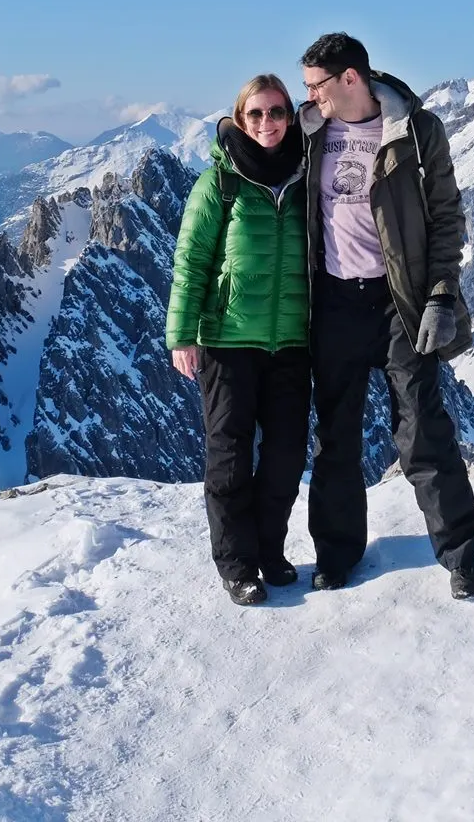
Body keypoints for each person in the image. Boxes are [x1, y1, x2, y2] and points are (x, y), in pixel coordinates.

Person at [298, 33, 474, 600]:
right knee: (336, 436)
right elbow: (251, 142)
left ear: (350, 78)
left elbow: (447, 218)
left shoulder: (415, 130)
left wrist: (439, 296)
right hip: (333, 303)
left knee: (422, 430)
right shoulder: (310, 133)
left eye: (317, 85)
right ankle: (337, 554)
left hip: (398, 303)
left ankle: (461, 555)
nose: (309, 96)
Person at [166, 74, 310, 606]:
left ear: (290, 118)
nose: (267, 123)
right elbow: (192, 261)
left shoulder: (305, 175)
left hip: (292, 343)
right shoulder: (218, 183)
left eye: (277, 113)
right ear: (240, 119)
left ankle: (269, 552)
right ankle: (237, 565)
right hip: (228, 341)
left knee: (286, 457)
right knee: (228, 459)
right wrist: (183, 333)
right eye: (256, 114)